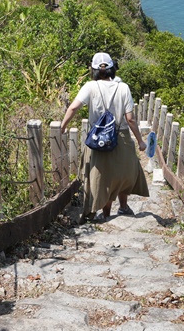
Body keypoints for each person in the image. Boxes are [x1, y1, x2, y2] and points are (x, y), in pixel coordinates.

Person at [60, 52, 149, 222]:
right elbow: (130, 119)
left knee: (102, 176)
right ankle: (123, 207)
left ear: (93, 70)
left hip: (98, 138)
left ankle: (105, 214)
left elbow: (73, 108)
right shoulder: (123, 88)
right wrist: (140, 141)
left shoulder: (89, 86)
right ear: (112, 69)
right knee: (125, 172)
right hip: (120, 135)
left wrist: (63, 126)